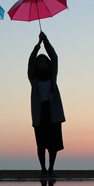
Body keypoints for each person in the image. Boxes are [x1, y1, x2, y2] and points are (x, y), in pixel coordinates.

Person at [28, 32, 65, 177]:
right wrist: (38, 45)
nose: (42, 64)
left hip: (53, 112)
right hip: (39, 113)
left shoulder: (52, 76)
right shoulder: (33, 78)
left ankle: (51, 168)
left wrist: (46, 41)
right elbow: (30, 62)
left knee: (53, 144)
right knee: (41, 143)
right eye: (40, 62)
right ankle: (43, 169)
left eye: (44, 62)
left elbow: (54, 57)